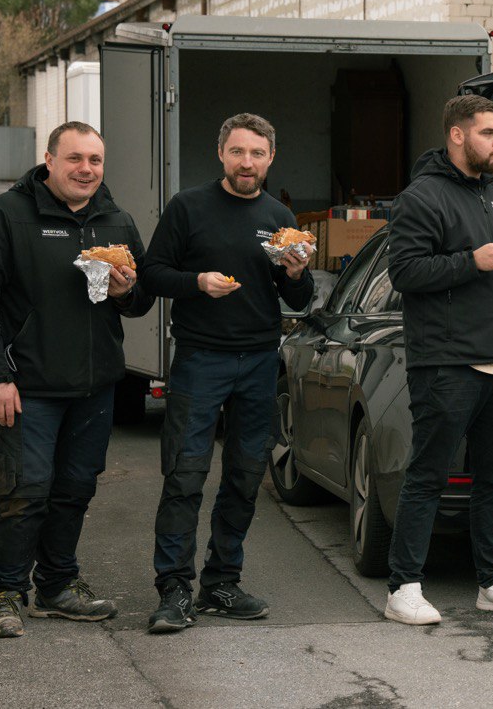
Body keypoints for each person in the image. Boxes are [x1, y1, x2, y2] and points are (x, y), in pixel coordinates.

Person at [138, 113, 314, 634]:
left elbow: (298, 299)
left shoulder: (279, 215)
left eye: (257, 154)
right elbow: (151, 274)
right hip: (201, 359)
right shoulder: (188, 207)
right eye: (238, 152)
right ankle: (174, 589)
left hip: (259, 361)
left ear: (270, 159)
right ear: (222, 154)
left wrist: (297, 274)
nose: (247, 162)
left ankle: (221, 582)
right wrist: (198, 282)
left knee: (243, 476)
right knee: (185, 476)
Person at [382, 94, 493, 626]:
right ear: (458, 135)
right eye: (489, 133)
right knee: (427, 476)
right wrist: (470, 261)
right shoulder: (421, 197)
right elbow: (405, 273)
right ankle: (403, 587)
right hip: (447, 364)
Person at [0, 121, 154, 639]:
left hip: (96, 384)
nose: (86, 170)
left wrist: (126, 291)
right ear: (50, 160)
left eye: (95, 161)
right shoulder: (9, 214)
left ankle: (56, 586)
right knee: (24, 490)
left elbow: (141, 301)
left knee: (75, 489)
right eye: (75, 159)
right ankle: (5, 593)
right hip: (26, 384)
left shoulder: (117, 220)